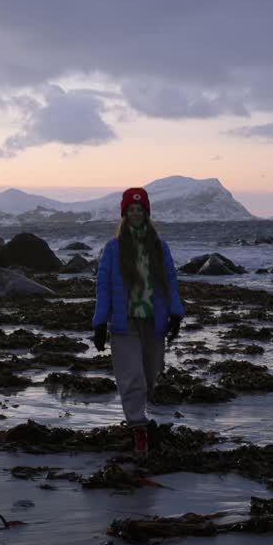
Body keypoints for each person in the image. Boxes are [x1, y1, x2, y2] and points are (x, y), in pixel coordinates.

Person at [91, 186, 185, 458]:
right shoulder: (113, 248)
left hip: (154, 322)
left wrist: (176, 314)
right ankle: (139, 428)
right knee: (132, 377)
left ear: (146, 213)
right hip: (125, 322)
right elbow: (104, 287)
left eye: (139, 210)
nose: (135, 214)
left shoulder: (159, 247)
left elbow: (170, 281)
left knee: (150, 375)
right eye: (131, 210)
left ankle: (138, 416)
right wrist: (99, 323)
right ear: (124, 214)